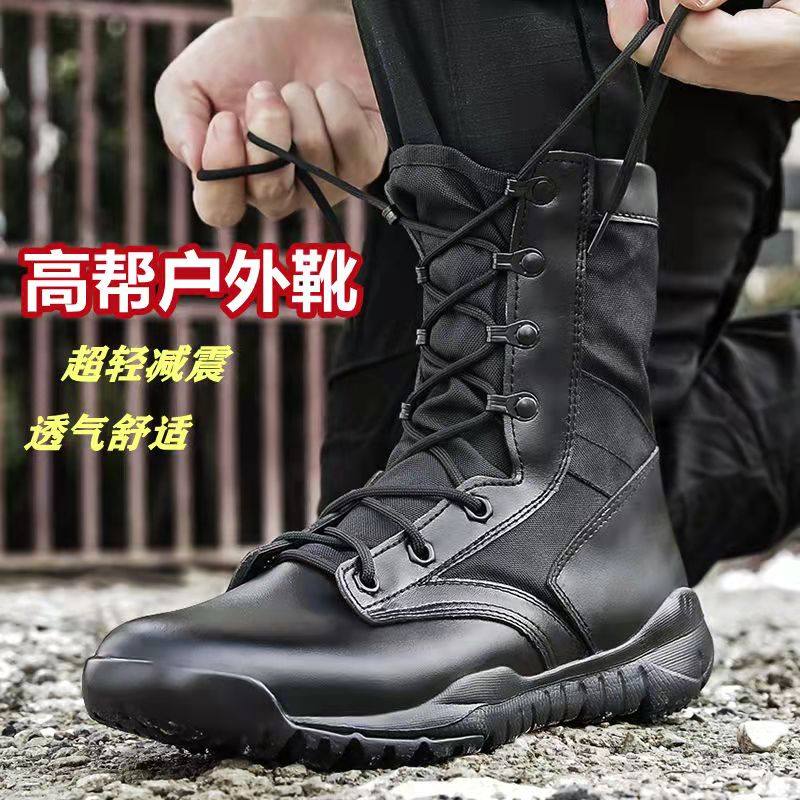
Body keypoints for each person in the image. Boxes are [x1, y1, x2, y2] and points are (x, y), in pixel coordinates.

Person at [82, 1, 800, 767]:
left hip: (707, 42)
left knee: (459, 567)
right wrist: (302, 11)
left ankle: (575, 503)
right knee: (407, 521)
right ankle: (596, 527)